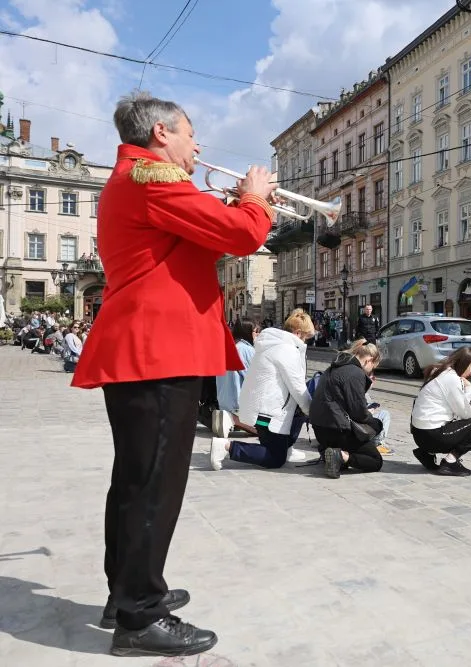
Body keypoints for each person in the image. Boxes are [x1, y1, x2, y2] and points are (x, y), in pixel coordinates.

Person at [70, 91, 276, 657]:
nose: (197, 145)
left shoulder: (140, 180)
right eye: (190, 133)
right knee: (156, 485)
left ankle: (126, 592)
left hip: (147, 350)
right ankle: (139, 616)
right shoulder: (152, 179)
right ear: (161, 133)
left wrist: (233, 207)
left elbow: (204, 237)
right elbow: (242, 236)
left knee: (136, 479)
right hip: (159, 352)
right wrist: (254, 200)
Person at [210, 310, 314, 470]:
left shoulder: (272, 344)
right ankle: (226, 447)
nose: (306, 341)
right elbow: (298, 387)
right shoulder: (287, 350)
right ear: (298, 333)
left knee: (279, 445)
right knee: (275, 458)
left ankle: (285, 448)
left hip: (259, 408)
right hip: (268, 412)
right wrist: (312, 411)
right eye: (306, 336)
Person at [308, 340, 385, 479]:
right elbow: (359, 412)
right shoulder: (355, 373)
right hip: (337, 430)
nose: (371, 371)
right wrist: (375, 423)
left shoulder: (333, 367)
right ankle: (341, 455)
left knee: (346, 460)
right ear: (369, 360)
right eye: (373, 367)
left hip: (320, 430)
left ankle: (329, 451)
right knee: (375, 461)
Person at [410, 346, 471, 476]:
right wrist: (469, 389)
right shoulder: (451, 378)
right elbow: (466, 414)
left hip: (419, 435)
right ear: (463, 364)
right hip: (432, 436)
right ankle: (450, 462)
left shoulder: (440, 371)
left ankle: (426, 453)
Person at [212, 319, 258, 438]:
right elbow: (255, 379)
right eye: (255, 331)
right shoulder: (247, 350)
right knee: (268, 429)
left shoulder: (229, 348)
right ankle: (235, 419)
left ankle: (229, 416)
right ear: (248, 332)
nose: (257, 335)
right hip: (238, 405)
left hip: (224, 401)